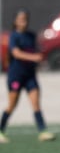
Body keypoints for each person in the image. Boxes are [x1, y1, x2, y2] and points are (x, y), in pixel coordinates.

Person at [0, 9, 56, 144]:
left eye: (25, 18)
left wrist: (40, 57)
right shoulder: (14, 36)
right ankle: (1, 130)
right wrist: (33, 57)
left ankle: (43, 131)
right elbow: (16, 53)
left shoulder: (31, 35)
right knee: (12, 105)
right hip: (16, 76)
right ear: (16, 21)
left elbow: (38, 51)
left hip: (30, 76)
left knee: (36, 104)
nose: (23, 21)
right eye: (20, 19)